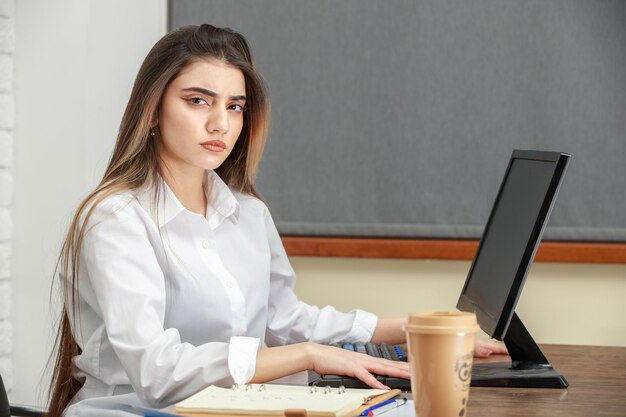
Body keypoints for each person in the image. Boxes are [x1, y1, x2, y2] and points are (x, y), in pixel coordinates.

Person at [46, 24, 506, 417]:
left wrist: (403, 329)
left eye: (234, 106)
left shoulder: (247, 214)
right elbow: (156, 372)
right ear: (153, 108)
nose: (220, 125)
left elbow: (283, 319)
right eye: (198, 101)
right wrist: (307, 356)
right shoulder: (116, 220)